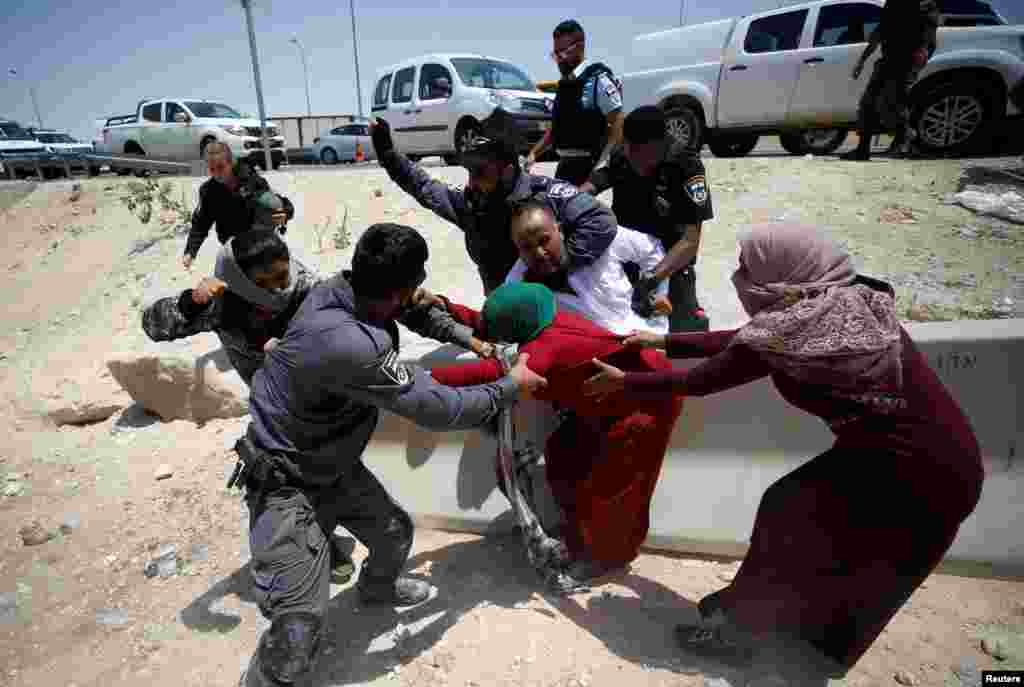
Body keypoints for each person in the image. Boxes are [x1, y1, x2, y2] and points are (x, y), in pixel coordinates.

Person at [582, 223, 984, 675]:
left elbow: (706, 378)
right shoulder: (839, 300)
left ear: (785, 274)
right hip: (943, 455)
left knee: (791, 516)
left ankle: (740, 632)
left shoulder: (797, 330)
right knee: (848, 548)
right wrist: (664, 340)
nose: (739, 276)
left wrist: (627, 382)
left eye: (747, 267)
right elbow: (746, 340)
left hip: (914, 465)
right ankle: (803, 646)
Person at [238, 223, 547, 687]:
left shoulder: (341, 290)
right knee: (297, 631)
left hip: (330, 463)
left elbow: (418, 314)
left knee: (393, 533)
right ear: (404, 286)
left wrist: (475, 342)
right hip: (286, 482)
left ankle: (377, 589)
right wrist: (510, 387)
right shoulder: (353, 343)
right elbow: (440, 409)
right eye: (413, 286)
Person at [427, 282, 684, 588]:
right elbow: (488, 323)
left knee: (614, 492)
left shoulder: (544, 349)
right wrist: (443, 304)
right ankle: (579, 534)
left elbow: (493, 374)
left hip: (644, 408)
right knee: (563, 455)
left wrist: (422, 379)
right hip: (605, 403)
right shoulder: (550, 315)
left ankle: (604, 557)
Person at [144, 228, 491, 385]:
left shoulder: (308, 290)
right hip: (276, 394)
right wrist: (191, 302)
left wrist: (472, 341)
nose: (281, 289)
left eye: (283, 276)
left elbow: (393, 303)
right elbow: (154, 325)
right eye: (266, 284)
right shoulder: (223, 307)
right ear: (241, 283)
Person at [370, 108, 618, 294]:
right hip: (508, 319)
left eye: (480, 173)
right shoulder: (471, 206)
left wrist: (557, 268)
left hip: (561, 314)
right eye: (468, 172)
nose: (471, 183)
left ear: (508, 170)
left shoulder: (546, 196)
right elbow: (424, 187)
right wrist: (389, 156)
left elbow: (602, 221)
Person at [582, 106, 714, 333]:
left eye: (639, 153)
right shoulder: (624, 154)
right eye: (628, 149)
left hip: (669, 263)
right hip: (626, 257)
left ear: (662, 144)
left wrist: (652, 278)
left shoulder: (686, 166)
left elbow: (690, 242)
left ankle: (692, 314)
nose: (631, 158)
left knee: (682, 338)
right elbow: (592, 185)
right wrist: (572, 199)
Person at [506, 199, 671, 335]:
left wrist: (653, 297)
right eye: (527, 247)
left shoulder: (598, 239)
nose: (539, 253)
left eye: (544, 240)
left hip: (646, 339)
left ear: (560, 229)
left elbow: (651, 250)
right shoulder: (517, 286)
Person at [525, 19, 624, 186]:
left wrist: (602, 166)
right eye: (555, 54)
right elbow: (557, 129)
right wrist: (533, 154)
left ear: (579, 47)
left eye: (563, 53)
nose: (559, 60)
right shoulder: (565, 84)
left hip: (589, 168)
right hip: (564, 166)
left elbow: (618, 124)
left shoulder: (598, 79)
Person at [840, 0, 940, 161]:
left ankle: (908, 143)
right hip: (887, 60)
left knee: (895, 104)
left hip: (907, 62)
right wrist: (862, 60)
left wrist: (916, 65)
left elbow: (930, 41)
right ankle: (862, 149)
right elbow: (879, 33)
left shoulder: (925, 4)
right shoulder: (892, 4)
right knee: (867, 103)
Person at [182, 141, 295, 269]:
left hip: (262, 243)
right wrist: (190, 252)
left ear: (231, 163)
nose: (217, 173)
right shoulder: (208, 192)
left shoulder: (251, 180)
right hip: (234, 248)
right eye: (212, 169)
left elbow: (278, 204)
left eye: (220, 167)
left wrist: (283, 213)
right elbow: (200, 225)